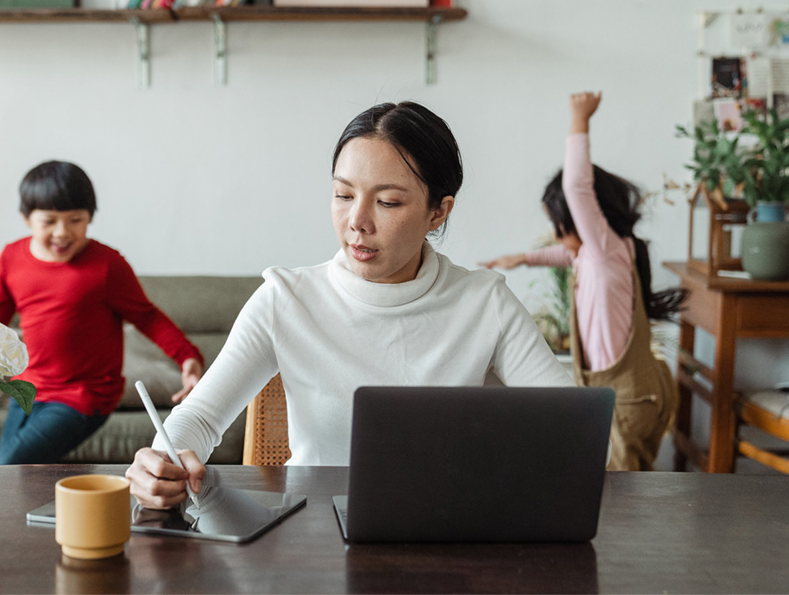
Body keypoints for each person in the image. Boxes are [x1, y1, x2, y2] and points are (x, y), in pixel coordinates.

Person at [126, 102, 573, 509]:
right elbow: (201, 417)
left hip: (447, 537)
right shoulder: (286, 299)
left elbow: (570, 426)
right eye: (343, 195)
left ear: (439, 212)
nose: (357, 222)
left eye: (387, 201)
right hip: (313, 545)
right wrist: (162, 460)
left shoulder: (484, 302)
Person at [481, 92, 688, 471]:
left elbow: (577, 187)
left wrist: (580, 120)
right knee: (613, 487)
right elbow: (567, 255)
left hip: (627, 399)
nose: (558, 239)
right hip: (627, 392)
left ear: (582, 220)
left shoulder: (605, 248)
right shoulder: (606, 254)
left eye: (558, 228)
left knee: (621, 494)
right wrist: (524, 258)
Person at [0, 161, 204, 465]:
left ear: (90, 218)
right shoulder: (11, 258)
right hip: (27, 389)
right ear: (27, 218)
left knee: (4, 469)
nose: (62, 232)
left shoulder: (107, 265)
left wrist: (186, 357)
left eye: (75, 220)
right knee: (11, 480)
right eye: (49, 221)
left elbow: (147, 316)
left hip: (82, 397)